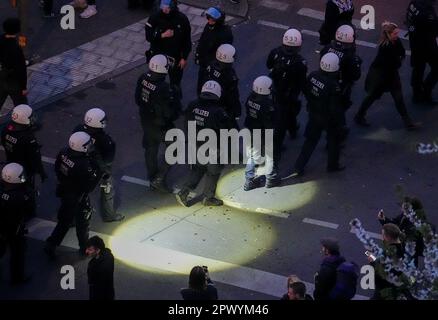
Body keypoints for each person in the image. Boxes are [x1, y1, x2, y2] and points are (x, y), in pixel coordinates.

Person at [176, 81, 233, 207]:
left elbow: (186, 123)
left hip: (196, 144)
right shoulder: (218, 112)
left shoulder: (192, 105)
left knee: (198, 169)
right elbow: (227, 131)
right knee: (213, 172)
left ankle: (184, 192)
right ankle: (208, 197)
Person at [44, 132, 101, 258]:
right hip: (77, 197)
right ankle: (84, 247)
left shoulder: (64, 152)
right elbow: (89, 187)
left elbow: (57, 168)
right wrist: (98, 171)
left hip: (65, 190)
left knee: (64, 221)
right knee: (83, 223)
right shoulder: (84, 165)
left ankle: (51, 244)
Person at [354, 22, 420, 130]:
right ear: (389, 34)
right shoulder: (386, 47)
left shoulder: (395, 41)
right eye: (395, 33)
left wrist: (398, 59)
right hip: (381, 76)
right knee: (372, 96)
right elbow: (396, 61)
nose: (397, 35)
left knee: (398, 98)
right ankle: (359, 115)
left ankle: (408, 122)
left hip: (389, 74)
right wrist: (398, 59)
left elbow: (401, 54)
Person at [291, 53, 345, 177]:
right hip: (328, 119)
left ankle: (299, 166)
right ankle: (332, 165)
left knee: (310, 141)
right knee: (333, 141)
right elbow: (334, 108)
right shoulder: (333, 85)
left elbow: (305, 90)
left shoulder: (313, 75)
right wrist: (340, 122)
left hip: (314, 113)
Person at [135, 54, 180, 193]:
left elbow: (137, 99)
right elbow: (169, 113)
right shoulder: (164, 88)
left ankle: (152, 178)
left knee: (151, 150)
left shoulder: (142, 78)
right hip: (162, 126)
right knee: (175, 149)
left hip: (146, 121)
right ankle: (158, 179)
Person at [73, 108, 124, 222]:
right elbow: (108, 160)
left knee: (76, 194)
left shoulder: (78, 129)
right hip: (98, 169)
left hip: (79, 166)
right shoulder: (105, 140)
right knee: (108, 190)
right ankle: (109, 215)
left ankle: (71, 218)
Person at [1, 105, 47, 219]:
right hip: (25, 168)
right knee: (27, 191)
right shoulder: (28, 138)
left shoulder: (6, 128)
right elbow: (35, 157)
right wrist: (41, 172)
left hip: (11, 162)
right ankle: (29, 212)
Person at [267, 28, 307, 154]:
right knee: (285, 118)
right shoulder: (300, 62)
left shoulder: (275, 53)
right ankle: (285, 136)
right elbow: (302, 81)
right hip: (291, 94)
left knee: (280, 114)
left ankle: (291, 129)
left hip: (276, 90)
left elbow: (269, 65)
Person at [320, 24, 362, 145]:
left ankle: (340, 128)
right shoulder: (351, 57)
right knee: (338, 111)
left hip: (326, 84)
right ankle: (333, 137)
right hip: (341, 88)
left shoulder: (326, 48)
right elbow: (356, 75)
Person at [145, 0, 192, 89]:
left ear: (173, 6)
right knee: (155, 81)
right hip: (158, 54)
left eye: (167, 8)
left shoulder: (182, 19)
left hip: (175, 56)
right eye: (163, 7)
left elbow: (187, 40)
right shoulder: (155, 17)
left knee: (175, 83)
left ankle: (175, 99)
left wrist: (184, 57)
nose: (164, 10)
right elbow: (148, 36)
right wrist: (162, 35)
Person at [243, 76, 278, 190]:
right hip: (263, 132)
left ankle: (249, 180)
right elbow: (270, 120)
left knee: (252, 156)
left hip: (250, 129)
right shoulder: (267, 104)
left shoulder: (250, 98)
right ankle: (271, 179)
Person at [0, 163, 33, 285]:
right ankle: (17, 278)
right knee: (18, 253)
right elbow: (28, 210)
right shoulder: (21, 196)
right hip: (13, 229)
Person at [377, 197, 429, 266]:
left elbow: (402, 235)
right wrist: (383, 219)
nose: (402, 209)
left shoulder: (415, 225)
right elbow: (395, 224)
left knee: (407, 268)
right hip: (400, 250)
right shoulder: (404, 216)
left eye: (404, 207)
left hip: (407, 253)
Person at [198, 44, 241, 127]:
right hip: (223, 106)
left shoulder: (210, 65)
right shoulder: (230, 76)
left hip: (207, 101)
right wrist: (236, 112)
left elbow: (202, 80)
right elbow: (233, 97)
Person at [406, 0, 438, 104]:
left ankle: (416, 93)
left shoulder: (414, 3)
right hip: (427, 45)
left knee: (418, 68)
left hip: (415, 41)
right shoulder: (428, 13)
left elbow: (408, 18)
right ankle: (426, 90)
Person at [195, 7, 233, 91]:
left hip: (214, 67)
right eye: (208, 18)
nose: (209, 21)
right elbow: (202, 41)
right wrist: (198, 55)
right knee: (200, 86)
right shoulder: (209, 26)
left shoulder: (225, 33)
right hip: (204, 63)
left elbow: (225, 52)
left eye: (212, 20)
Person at [369, 223, 406, 300]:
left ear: (388, 237)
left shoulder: (388, 254)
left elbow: (379, 276)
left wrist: (372, 262)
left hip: (386, 290)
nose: (382, 237)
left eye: (383, 235)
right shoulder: (405, 248)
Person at [0, 18, 28, 111]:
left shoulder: (1, 38)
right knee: (21, 105)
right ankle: (25, 123)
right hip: (13, 80)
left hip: (1, 76)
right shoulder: (16, 47)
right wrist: (23, 87)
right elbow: (21, 69)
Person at [86, 236, 115, 300]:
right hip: (108, 292)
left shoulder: (96, 267)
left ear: (98, 250)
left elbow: (93, 282)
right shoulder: (109, 256)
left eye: (90, 249)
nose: (86, 251)